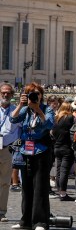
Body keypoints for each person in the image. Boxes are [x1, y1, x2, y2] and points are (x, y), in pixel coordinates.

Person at [10, 82, 55, 230]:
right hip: (25, 150)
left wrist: (38, 110)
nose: (35, 96)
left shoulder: (47, 109)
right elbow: (13, 118)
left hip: (42, 150)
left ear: (41, 95)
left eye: (37, 93)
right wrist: (20, 104)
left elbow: (48, 124)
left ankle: (40, 222)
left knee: (40, 187)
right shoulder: (25, 110)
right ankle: (25, 221)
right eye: (31, 94)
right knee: (26, 187)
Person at [0, 83, 22, 222]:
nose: (5, 95)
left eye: (8, 93)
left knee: (4, 182)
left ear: (12, 95)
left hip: (7, 149)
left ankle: (1, 212)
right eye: (3, 92)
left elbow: (22, 131)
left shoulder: (17, 111)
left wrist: (15, 147)